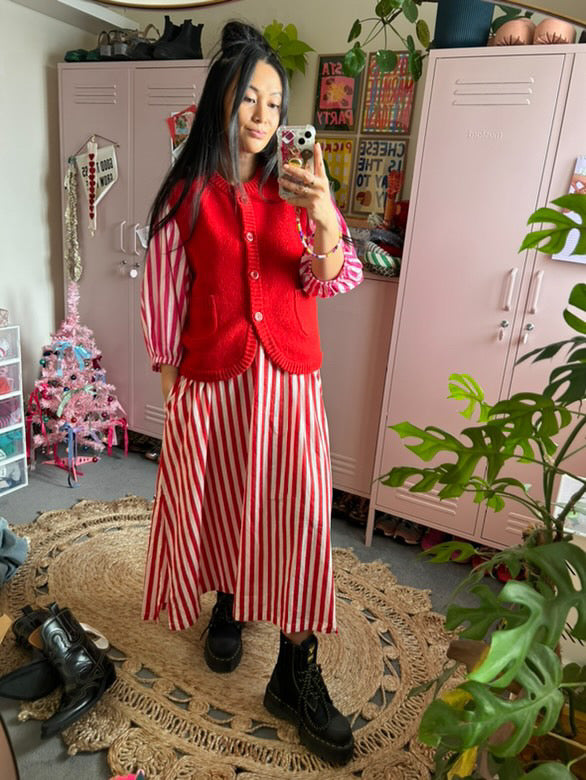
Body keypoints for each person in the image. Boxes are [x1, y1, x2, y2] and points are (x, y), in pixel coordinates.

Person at [141, 20, 363, 766]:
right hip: (212, 384)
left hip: (289, 385)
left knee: (298, 518)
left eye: (274, 102)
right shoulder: (186, 193)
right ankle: (228, 604)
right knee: (223, 501)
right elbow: (165, 293)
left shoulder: (298, 187)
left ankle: (295, 672)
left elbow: (333, 277)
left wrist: (324, 215)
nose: (264, 115)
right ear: (221, 101)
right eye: (249, 99)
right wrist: (172, 389)